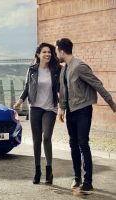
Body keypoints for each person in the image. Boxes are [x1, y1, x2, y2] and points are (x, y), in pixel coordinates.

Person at [55, 38, 116, 191]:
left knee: (83, 143)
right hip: (71, 111)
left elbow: (97, 83)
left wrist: (112, 104)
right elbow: (63, 91)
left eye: (56, 51)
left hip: (83, 110)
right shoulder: (64, 69)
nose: (56, 54)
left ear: (62, 51)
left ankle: (88, 181)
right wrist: (62, 108)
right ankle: (77, 178)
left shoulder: (79, 66)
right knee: (72, 144)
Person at [13, 43, 60, 184]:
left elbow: (62, 87)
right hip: (35, 107)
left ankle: (49, 170)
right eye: (44, 52)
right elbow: (27, 87)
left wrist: (63, 104)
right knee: (36, 140)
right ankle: (37, 170)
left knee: (46, 137)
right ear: (38, 54)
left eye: (49, 52)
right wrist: (20, 101)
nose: (48, 54)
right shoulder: (32, 69)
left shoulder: (56, 69)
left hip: (50, 108)